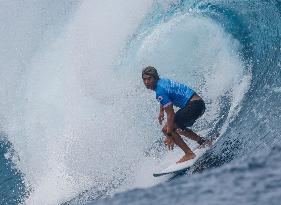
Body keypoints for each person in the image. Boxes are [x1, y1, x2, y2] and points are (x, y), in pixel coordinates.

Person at [142, 66, 211, 163]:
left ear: (155, 78)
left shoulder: (159, 91)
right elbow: (166, 98)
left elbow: (170, 114)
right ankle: (202, 141)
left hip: (194, 106)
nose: (146, 82)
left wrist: (169, 135)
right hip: (198, 104)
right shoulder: (162, 82)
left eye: (149, 79)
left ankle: (189, 154)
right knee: (176, 127)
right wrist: (161, 111)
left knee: (167, 129)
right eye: (144, 79)